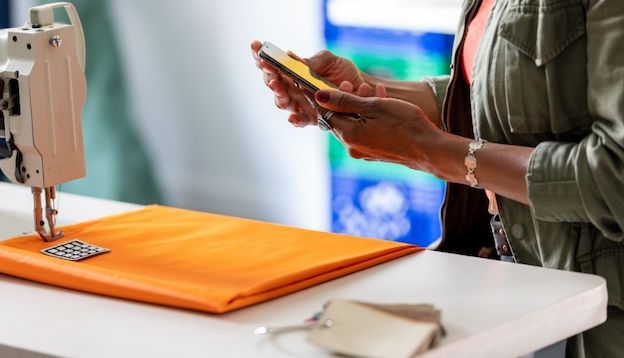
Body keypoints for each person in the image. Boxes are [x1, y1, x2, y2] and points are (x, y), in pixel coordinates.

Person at [251, 0, 624, 356]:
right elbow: (493, 92)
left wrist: (431, 151)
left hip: (598, 305)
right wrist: (362, 93)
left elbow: (614, 175)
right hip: (515, 271)